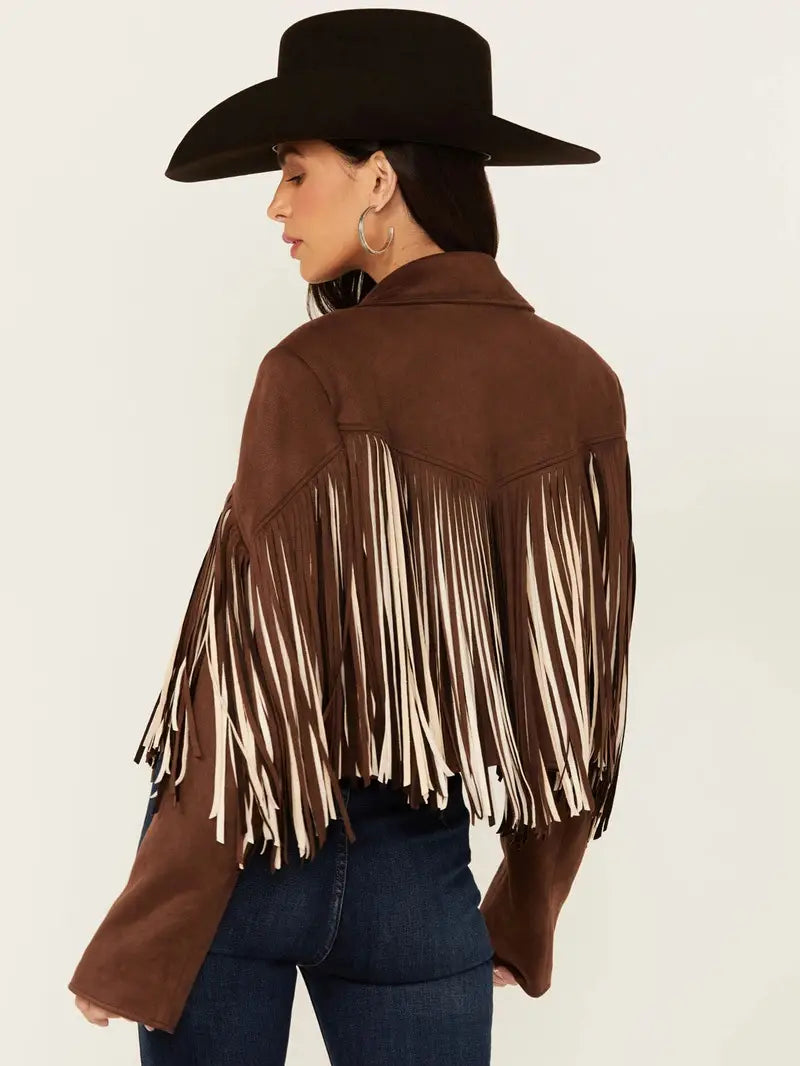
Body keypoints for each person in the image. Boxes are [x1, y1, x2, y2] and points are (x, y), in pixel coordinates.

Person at [68, 10, 636, 1065]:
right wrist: (526, 904)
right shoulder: (580, 382)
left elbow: (247, 678)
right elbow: (572, 687)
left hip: (239, 864)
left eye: (294, 171)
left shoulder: (311, 371)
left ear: (377, 180)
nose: (276, 205)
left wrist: (146, 931)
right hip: (417, 872)